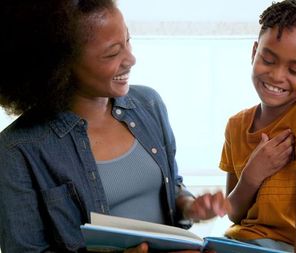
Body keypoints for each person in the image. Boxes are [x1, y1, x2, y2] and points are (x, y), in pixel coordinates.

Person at [0, 0, 228, 252]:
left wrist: (189, 206)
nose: (131, 59)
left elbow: (171, 184)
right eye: (112, 53)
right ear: (61, 65)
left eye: (128, 41)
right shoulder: (18, 150)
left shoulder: (149, 105)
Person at [219, 0, 296, 252]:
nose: (276, 76)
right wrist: (252, 175)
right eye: (268, 59)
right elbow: (234, 214)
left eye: (295, 70)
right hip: (238, 242)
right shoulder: (235, 126)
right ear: (254, 52)